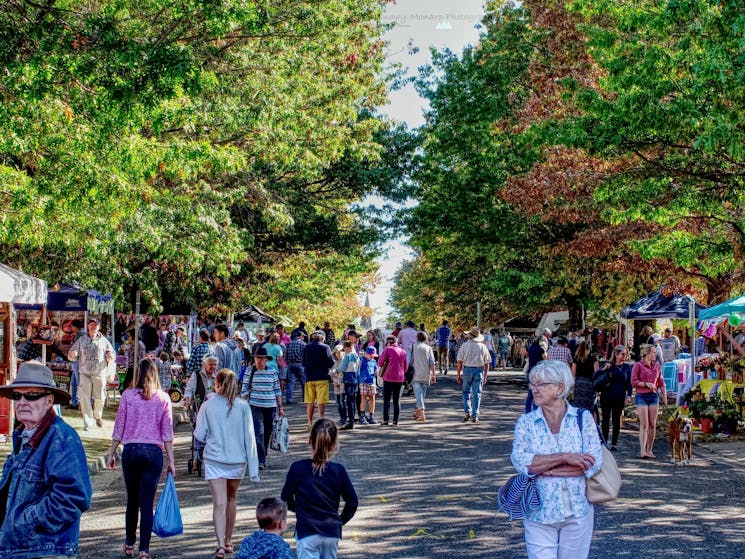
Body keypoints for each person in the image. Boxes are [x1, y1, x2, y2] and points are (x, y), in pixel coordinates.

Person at [510, 360, 602, 559]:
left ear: (560, 387)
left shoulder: (583, 418)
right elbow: (521, 461)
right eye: (532, 384)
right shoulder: (526, 423)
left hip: (577, 510)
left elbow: (592, 463)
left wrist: (544, 468)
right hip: (538, 511)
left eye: (541, 384)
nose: (534, 389)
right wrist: (565, 457)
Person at [0, 361, 93, 557]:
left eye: (32, 395)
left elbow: (74, 497)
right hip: (20, 549)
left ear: (49, 401)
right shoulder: (23, 436)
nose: (22, 401)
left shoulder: (61, 438)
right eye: (17, 396)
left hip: (44, 550)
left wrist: (26, 521)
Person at [106, 358, 176, 559]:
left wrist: (111, 453)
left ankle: (129, 542)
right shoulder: (163, 398)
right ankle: (144, 549)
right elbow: (167, 433)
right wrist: (171, 461)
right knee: (147, 502)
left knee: (132, 500)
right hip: (153, 452)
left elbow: (119, 427)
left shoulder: (127, 395)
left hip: (131, 449)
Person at [195, 369, 260, 559]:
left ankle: (220, 544)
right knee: (231, 499)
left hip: (215, 458)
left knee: (219, 501)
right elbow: (250, 438)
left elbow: (199, 434)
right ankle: (229, 540)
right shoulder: (243, 406)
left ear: (218, 383)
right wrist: (253, 468)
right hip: (237, 460)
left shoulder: (208, 406)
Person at [281, 418, 358, 559]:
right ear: (334, 444)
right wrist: (340, 521)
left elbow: (285, 497)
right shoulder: (338, 470)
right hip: (331, 531)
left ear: (309, 440)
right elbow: (352, 501)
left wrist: (298, 508)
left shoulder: (298, 468)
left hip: (307, 530)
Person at [68, 317, 115, 430]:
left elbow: (112, 353)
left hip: (99, 373)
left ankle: (97, 415)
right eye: (91, 325)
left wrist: (110, 355)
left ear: (99, 327)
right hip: (84, 373)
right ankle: (88, 422)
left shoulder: (104, 340)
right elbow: (71, 353)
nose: (93, 327)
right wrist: (73, 354)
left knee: (100, 397)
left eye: (95, 325)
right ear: (88, 326)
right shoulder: (82, 340)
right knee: (84, 397)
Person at [243, 347, 284, 470]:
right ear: (254, 359)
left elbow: (277, 390)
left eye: (262, 359)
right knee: (258, 433)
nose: (259, 361)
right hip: (255, 406)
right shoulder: (249, 371)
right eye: (257, 358)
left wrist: (280, 407)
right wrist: (243, 407)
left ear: (266, 360)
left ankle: (263, 453)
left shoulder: (272, 372)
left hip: (270, 406)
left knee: (267, 432)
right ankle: (260, 460)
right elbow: (244, 390)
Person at [594, 345, 632, 451]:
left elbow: (629, 384)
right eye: (622, 354)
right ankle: (604, 441)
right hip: (607, 396)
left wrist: (629, 395)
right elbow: (595, 376)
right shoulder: (608, 365)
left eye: (626, 354)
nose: (624, 356)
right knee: (605, 420)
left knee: (616, 420)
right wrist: (603, 370)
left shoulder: (627, 367)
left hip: (619, 397)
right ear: (616, 354)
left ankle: (614, 443)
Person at [631, 344, 667, 459]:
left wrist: (665, 397)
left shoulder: (657, 366)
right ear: (647, 353)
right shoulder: (638, 365)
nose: (655, 354)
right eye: (653, 352)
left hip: (653, 396)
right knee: (644, 424)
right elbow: (633, 381)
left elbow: (661, 383)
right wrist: (646, 384)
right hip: (641, 395)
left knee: (652, 424)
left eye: (655, 352)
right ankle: (642, 450)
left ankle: (650, 450)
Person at [456, 327, 491, 423]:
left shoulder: (464, 346)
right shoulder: (482, 347)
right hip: (479, 370)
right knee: (477, 394)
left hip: (467, 369)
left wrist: (458, 374)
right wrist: (485, 376)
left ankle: (468, 411)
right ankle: (475, 415)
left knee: (466, 392)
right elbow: (487, 363)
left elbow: (459, 361)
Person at [302, 330, 335, 429]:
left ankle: (309, 422)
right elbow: (330, 362)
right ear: (323, 338)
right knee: (321, 402)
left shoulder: (307, 347)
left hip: (309, 377)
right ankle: (321, 422)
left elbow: (303, 362)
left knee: (310, 402)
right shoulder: (325, 347)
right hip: (322, 377)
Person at [377, 335, 407, 426]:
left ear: (389, 342)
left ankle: (386, 420)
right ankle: (395, 421)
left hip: (388, 377)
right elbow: (405, 367)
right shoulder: (403, 352)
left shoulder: (387, 350)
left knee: (386, 399)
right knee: (397, 400)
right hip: (399, 378)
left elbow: (380, 363)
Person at [411, 331, 436, 422]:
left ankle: (422, 414)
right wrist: (433, 374)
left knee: (418, 394)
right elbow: (432, 362)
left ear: (417, 338)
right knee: (421, 395)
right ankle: (417, 412)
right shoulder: (429, 348)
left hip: (415, 373)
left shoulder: (412, 347)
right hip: (426, 373)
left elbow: (408, 361)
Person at [572, 341, 598, 411]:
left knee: (578, 406)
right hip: (589, 384)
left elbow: (573, 375)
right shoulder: (593, 359)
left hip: (578, 384)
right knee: (589, 407)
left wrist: (573, 387)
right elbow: (597, 374)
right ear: (588, 349)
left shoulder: (575, 359)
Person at [358, 347, 378, 424]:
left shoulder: (373, 361)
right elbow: (358, 368)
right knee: (363, 398)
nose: (372, 356)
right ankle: (362, 416)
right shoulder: (362, 360)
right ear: (367, 354)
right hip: (363, 381)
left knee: (372, 398)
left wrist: (376, 373)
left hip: (372, 381)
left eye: (373, 355)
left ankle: (371, 416)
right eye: (371, 355)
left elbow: (375, 370)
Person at [285, 331, 307, 405]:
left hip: (291, 364)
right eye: (303, 336)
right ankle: (305, 398)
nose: (303, 338)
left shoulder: (289, 344)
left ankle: (288, 398)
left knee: (291, 383)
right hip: (300, 364)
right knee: (304, 382)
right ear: (300, 336)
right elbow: (306, 355)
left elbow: (286, 354)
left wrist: (288, 362)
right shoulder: (303, 344)